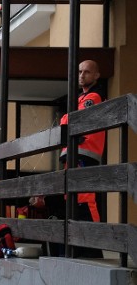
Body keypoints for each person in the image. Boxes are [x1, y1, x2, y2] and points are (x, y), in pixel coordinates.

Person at [58, 59, 106, 258]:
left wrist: (66, 118)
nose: (81, 75)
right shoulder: (80, 98)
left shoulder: (93, 97)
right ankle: (81, 249)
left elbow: (75, 119)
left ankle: (94, 249)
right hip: (76, 154)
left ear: (96, 76)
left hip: (85, 154)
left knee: (86, 200)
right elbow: (67, 120)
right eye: (79, 72)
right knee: (75, 201)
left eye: (86, 72)